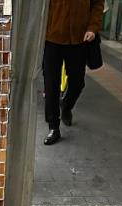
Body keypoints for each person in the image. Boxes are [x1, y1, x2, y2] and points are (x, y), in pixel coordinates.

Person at [42, 0, 105, 146]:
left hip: (79, 38)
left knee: (78, 82)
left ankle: (66, 106)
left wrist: (92, 28)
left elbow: (97, 4)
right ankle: (53, 126)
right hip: (52, 37)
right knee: (51, 84)